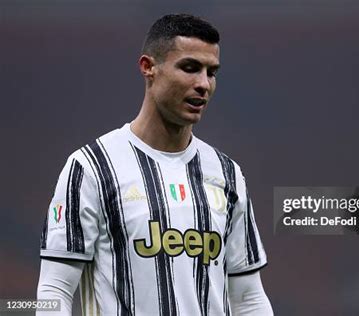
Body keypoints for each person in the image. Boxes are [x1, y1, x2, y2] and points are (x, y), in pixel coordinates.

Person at [37, 14, 273, 315]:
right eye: (189, 68)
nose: (203, 84)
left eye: (211, 72)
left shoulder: (227, 174)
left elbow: (249, 298)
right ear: (148, 67)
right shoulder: (92, 167)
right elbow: (54, 290)